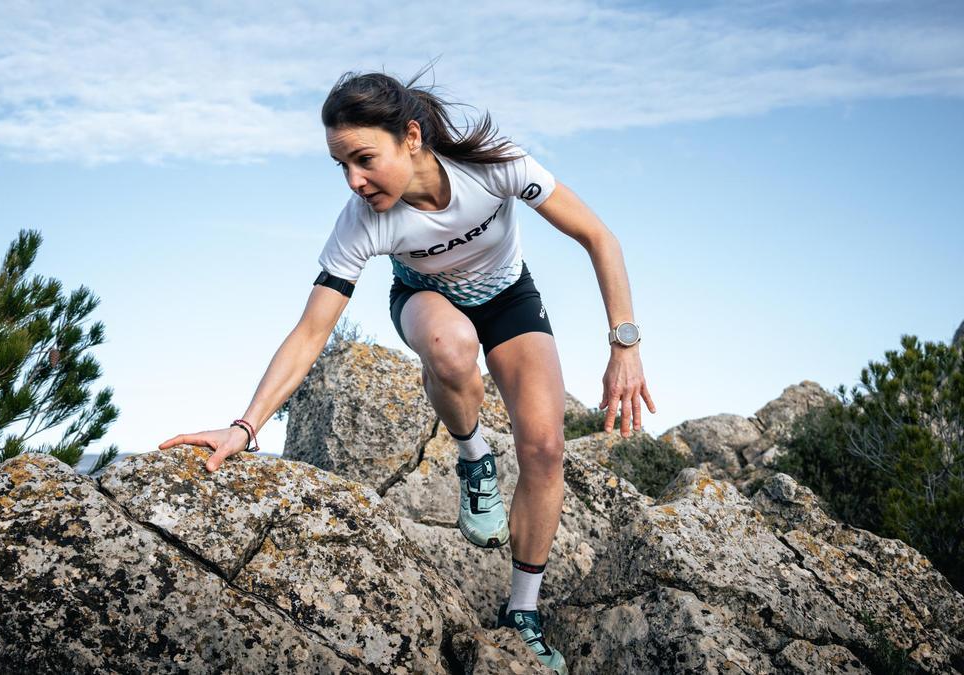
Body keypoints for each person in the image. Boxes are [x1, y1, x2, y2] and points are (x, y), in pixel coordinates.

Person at [159, 66, 655, 675]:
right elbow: (312, 330)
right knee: (452, 345)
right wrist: (246, 426)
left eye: (363, 159)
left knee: (546, 448)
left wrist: (624, 346)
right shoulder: (362, 221)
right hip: (426, 301)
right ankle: (473, 456)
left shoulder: (497, 168)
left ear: (412, 137)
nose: (354, 180)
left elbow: (599, 236)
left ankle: (523, 612)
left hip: (509, 298)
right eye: (341, 166)